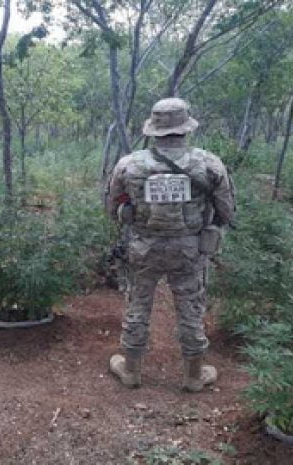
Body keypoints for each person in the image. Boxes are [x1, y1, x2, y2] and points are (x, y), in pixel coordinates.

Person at [106, 97, 235, 391]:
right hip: (190, 249)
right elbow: (227, 211)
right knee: (191, 308)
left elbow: (112, 209)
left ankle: (131, 371)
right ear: (186, 127)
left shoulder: (129, 165)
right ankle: (193, 376)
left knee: (138, 305)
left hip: (143, 247)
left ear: (153, 129)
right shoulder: (209, 163)